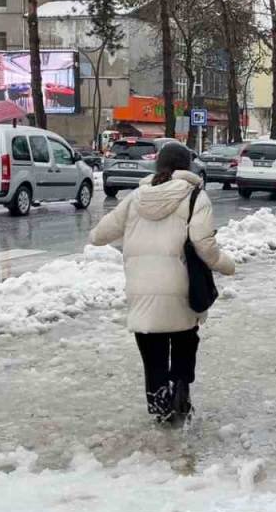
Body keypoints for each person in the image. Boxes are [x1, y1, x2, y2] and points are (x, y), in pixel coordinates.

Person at [89, 143, 235, 423]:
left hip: (141, 289)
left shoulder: (136, 197)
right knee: (184, 340)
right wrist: (226, 265)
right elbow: (204, 244)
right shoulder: (195, 197)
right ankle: (181, 390)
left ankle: (160, 405)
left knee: (152, 352)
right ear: (187, 167)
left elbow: (99, 235)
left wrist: (97, 233)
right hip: (180, 287)